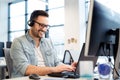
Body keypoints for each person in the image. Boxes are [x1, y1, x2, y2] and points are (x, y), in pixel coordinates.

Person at [10, 10, 77, 78]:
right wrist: (53, 69)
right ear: (31, 23)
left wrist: (69, 67)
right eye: (41, 25)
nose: (44, 29)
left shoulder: (48, 42)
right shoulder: (18, 42)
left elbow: (57, 63)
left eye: (46, 26)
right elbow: (25, 69)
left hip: (48, 78)